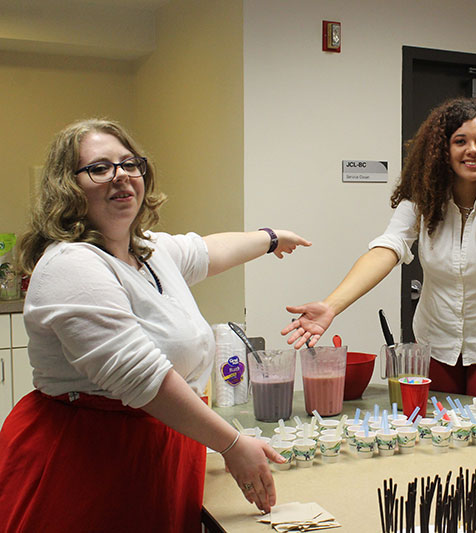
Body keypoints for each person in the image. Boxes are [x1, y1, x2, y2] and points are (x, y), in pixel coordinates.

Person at [0, 119, 311, 532]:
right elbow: (142, 379)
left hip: (158, 450)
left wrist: (271, 238)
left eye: (130, 164)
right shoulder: (69, 265)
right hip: (87, 459)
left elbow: (206, 250)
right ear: (66, 186)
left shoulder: (146, 250)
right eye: (100, 167)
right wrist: (232, 444)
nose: (121, 176)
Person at [282, 98, 476, 405]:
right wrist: (331, 306)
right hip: (434, 344)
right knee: (433, 437)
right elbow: (387, 249)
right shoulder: (422, 201)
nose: (472, 150)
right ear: (443, 149)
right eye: (460, 141)